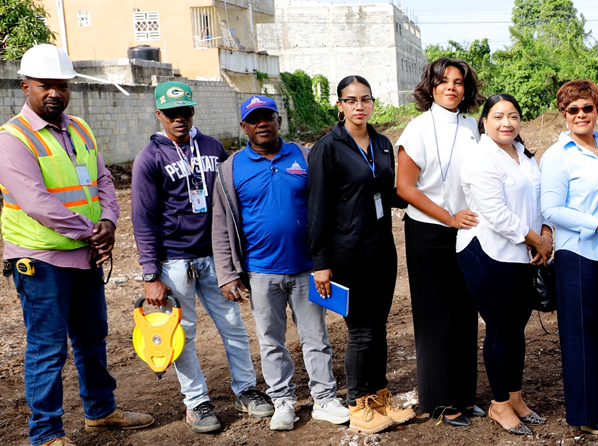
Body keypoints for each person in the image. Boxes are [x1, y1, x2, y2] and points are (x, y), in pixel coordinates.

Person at [0, 43, 153, 446]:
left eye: (62, 85)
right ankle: (46, 434)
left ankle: (100, 411)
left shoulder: (80, 128)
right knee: (48, 348)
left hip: (83, 255)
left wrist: (108, 220)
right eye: (45, 85)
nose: (55, 92)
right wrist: (92, 230)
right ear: (25, 87)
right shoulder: (12, 139)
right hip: (40, 259)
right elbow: (35, 202)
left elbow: (104, 180)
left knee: (91, 337)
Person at [131, 81, 272, 434]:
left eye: (186, 112)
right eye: (172, 113)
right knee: (183, 334)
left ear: (193, 112)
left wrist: (236, 254)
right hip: (174, 262)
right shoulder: (149, 158)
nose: (180, 119)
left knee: (234, 327)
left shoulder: (212, 147)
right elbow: (142, 219)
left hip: (214, 255)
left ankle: (246, 389)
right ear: (159, 115)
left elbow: (231, 200)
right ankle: (196, 402)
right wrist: (151, 275)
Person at [211, 96, 355, 431]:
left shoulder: (304, 156)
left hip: (307, 267)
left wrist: (331, 259)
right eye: (254, 119)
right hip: (261, 272)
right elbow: (220, 224)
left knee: (316, 336)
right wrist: (227, 274)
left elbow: (328, 206)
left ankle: (324, 399)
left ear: (279, 120)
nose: (262, 124)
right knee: (271, 341)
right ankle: (283, 400)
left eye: (268, 117)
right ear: (244, 127)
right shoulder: (231, 169)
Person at [308, 75, 411, 434]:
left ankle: (379, 398)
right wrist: (320, 263)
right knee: (361, 331)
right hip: (347, 253)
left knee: (379, 329)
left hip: (382, 250)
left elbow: (391, 191)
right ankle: (357, 403)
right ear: (339, 106)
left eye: (365, 99)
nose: (359, 106)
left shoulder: (382, 143)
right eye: (351, 100)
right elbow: (317, 207)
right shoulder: (328, 148)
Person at [394, 58, 486, 427]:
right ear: (429, 86)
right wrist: (447, 217)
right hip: (429, 232)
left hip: (466, 228)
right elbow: (404, 187)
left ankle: (465, 396)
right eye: (443, 81)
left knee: (466, 314)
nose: (451, 87)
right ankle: (440, 401)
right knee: (437, 318)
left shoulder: (470, 125)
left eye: (458, 81)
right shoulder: (416, 128)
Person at [541, 79, 598, 436]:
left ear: (597, 109)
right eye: (573, 110)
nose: (581, 115)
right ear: (564, 115)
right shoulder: (557, 155)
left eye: (587, 108)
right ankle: (587, 411)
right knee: (582, 333)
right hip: (578, 253)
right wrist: (597, 225)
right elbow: (551, 208)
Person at [457, 93, 553, 436]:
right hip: (488, 252)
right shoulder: (481, 158)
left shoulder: (523, 155)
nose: (506, 123)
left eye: (512, 116)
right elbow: (496, 215)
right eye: (498, 116)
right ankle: (499, 404)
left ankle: (515, 397)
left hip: (522, 252)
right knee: (500, 326)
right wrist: (536, 239)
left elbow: (539, 197)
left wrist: (545, 231)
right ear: (484, 121)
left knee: (516, 327)